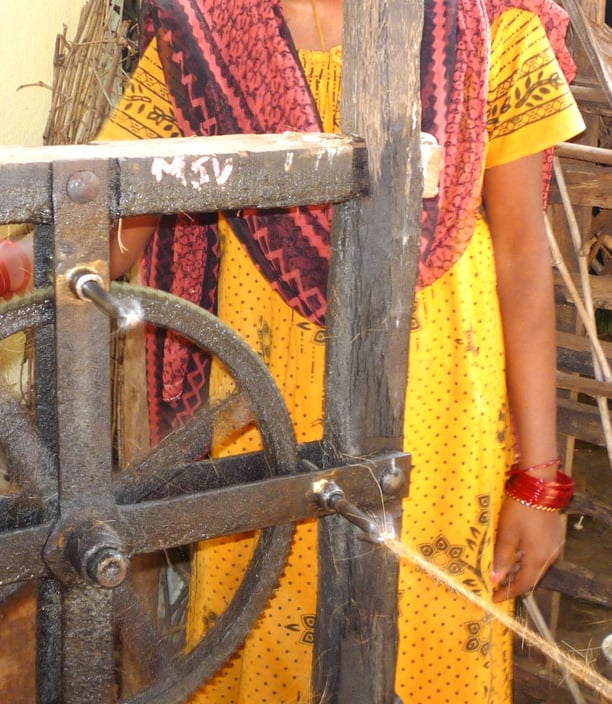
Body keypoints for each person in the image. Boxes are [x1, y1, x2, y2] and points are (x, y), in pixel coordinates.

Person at [1, 0, 585, 701]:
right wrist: (14, 263)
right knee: (260, 627)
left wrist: (540, 481)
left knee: (422, 636)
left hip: (441, 417)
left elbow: (524, 254)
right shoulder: (206, 38)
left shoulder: (491, 28)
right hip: (265, 417)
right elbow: (112, 221)